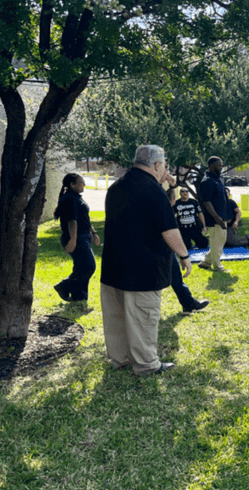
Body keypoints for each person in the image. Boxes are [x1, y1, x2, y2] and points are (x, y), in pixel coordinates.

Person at [100, 145, 192, 376]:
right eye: (165, 165)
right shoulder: (152, 190)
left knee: (116, 317)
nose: (166, 170)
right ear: (157, 165)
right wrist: (184, 256)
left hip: (113, 266)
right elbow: (169, 229)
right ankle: (146, 364)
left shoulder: (117, 187)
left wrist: (168, 185)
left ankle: (119, 359)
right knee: (143, 318)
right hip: (143, 269)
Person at [53, 173, 99, 303]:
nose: (83, 184)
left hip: (84, 236)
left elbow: (85, 219)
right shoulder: (69, 199)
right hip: (76, 237)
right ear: (72, 185)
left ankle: (79, 298)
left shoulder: (76, 198)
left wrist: (93, 233)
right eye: (81, 182)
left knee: (81, 267)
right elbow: (72, 220)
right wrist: (73, 239)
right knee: (88, 266)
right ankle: (63, 286)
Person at [167, 187, 210, 315]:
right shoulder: (168, 210)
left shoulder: (193, 202)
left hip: (191, 232)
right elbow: (170, 232)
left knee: (176, 277)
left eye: (186, 192)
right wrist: (184, 255)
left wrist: (183, 256)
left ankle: (188, 304)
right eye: (182, 193)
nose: (184, 194)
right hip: (155, 251)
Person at [198, 156, 231, 272]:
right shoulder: (207, 181)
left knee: (220, 241)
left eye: (221, 165)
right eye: (219, 165)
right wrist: (217, 218)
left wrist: (227, 216)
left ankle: (205, 262)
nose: (221, 167)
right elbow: (207, 202)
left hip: (223, 216)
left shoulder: (218, 179)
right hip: (214, 219)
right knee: (216, 242)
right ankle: (218, 266)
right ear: (211, 166)